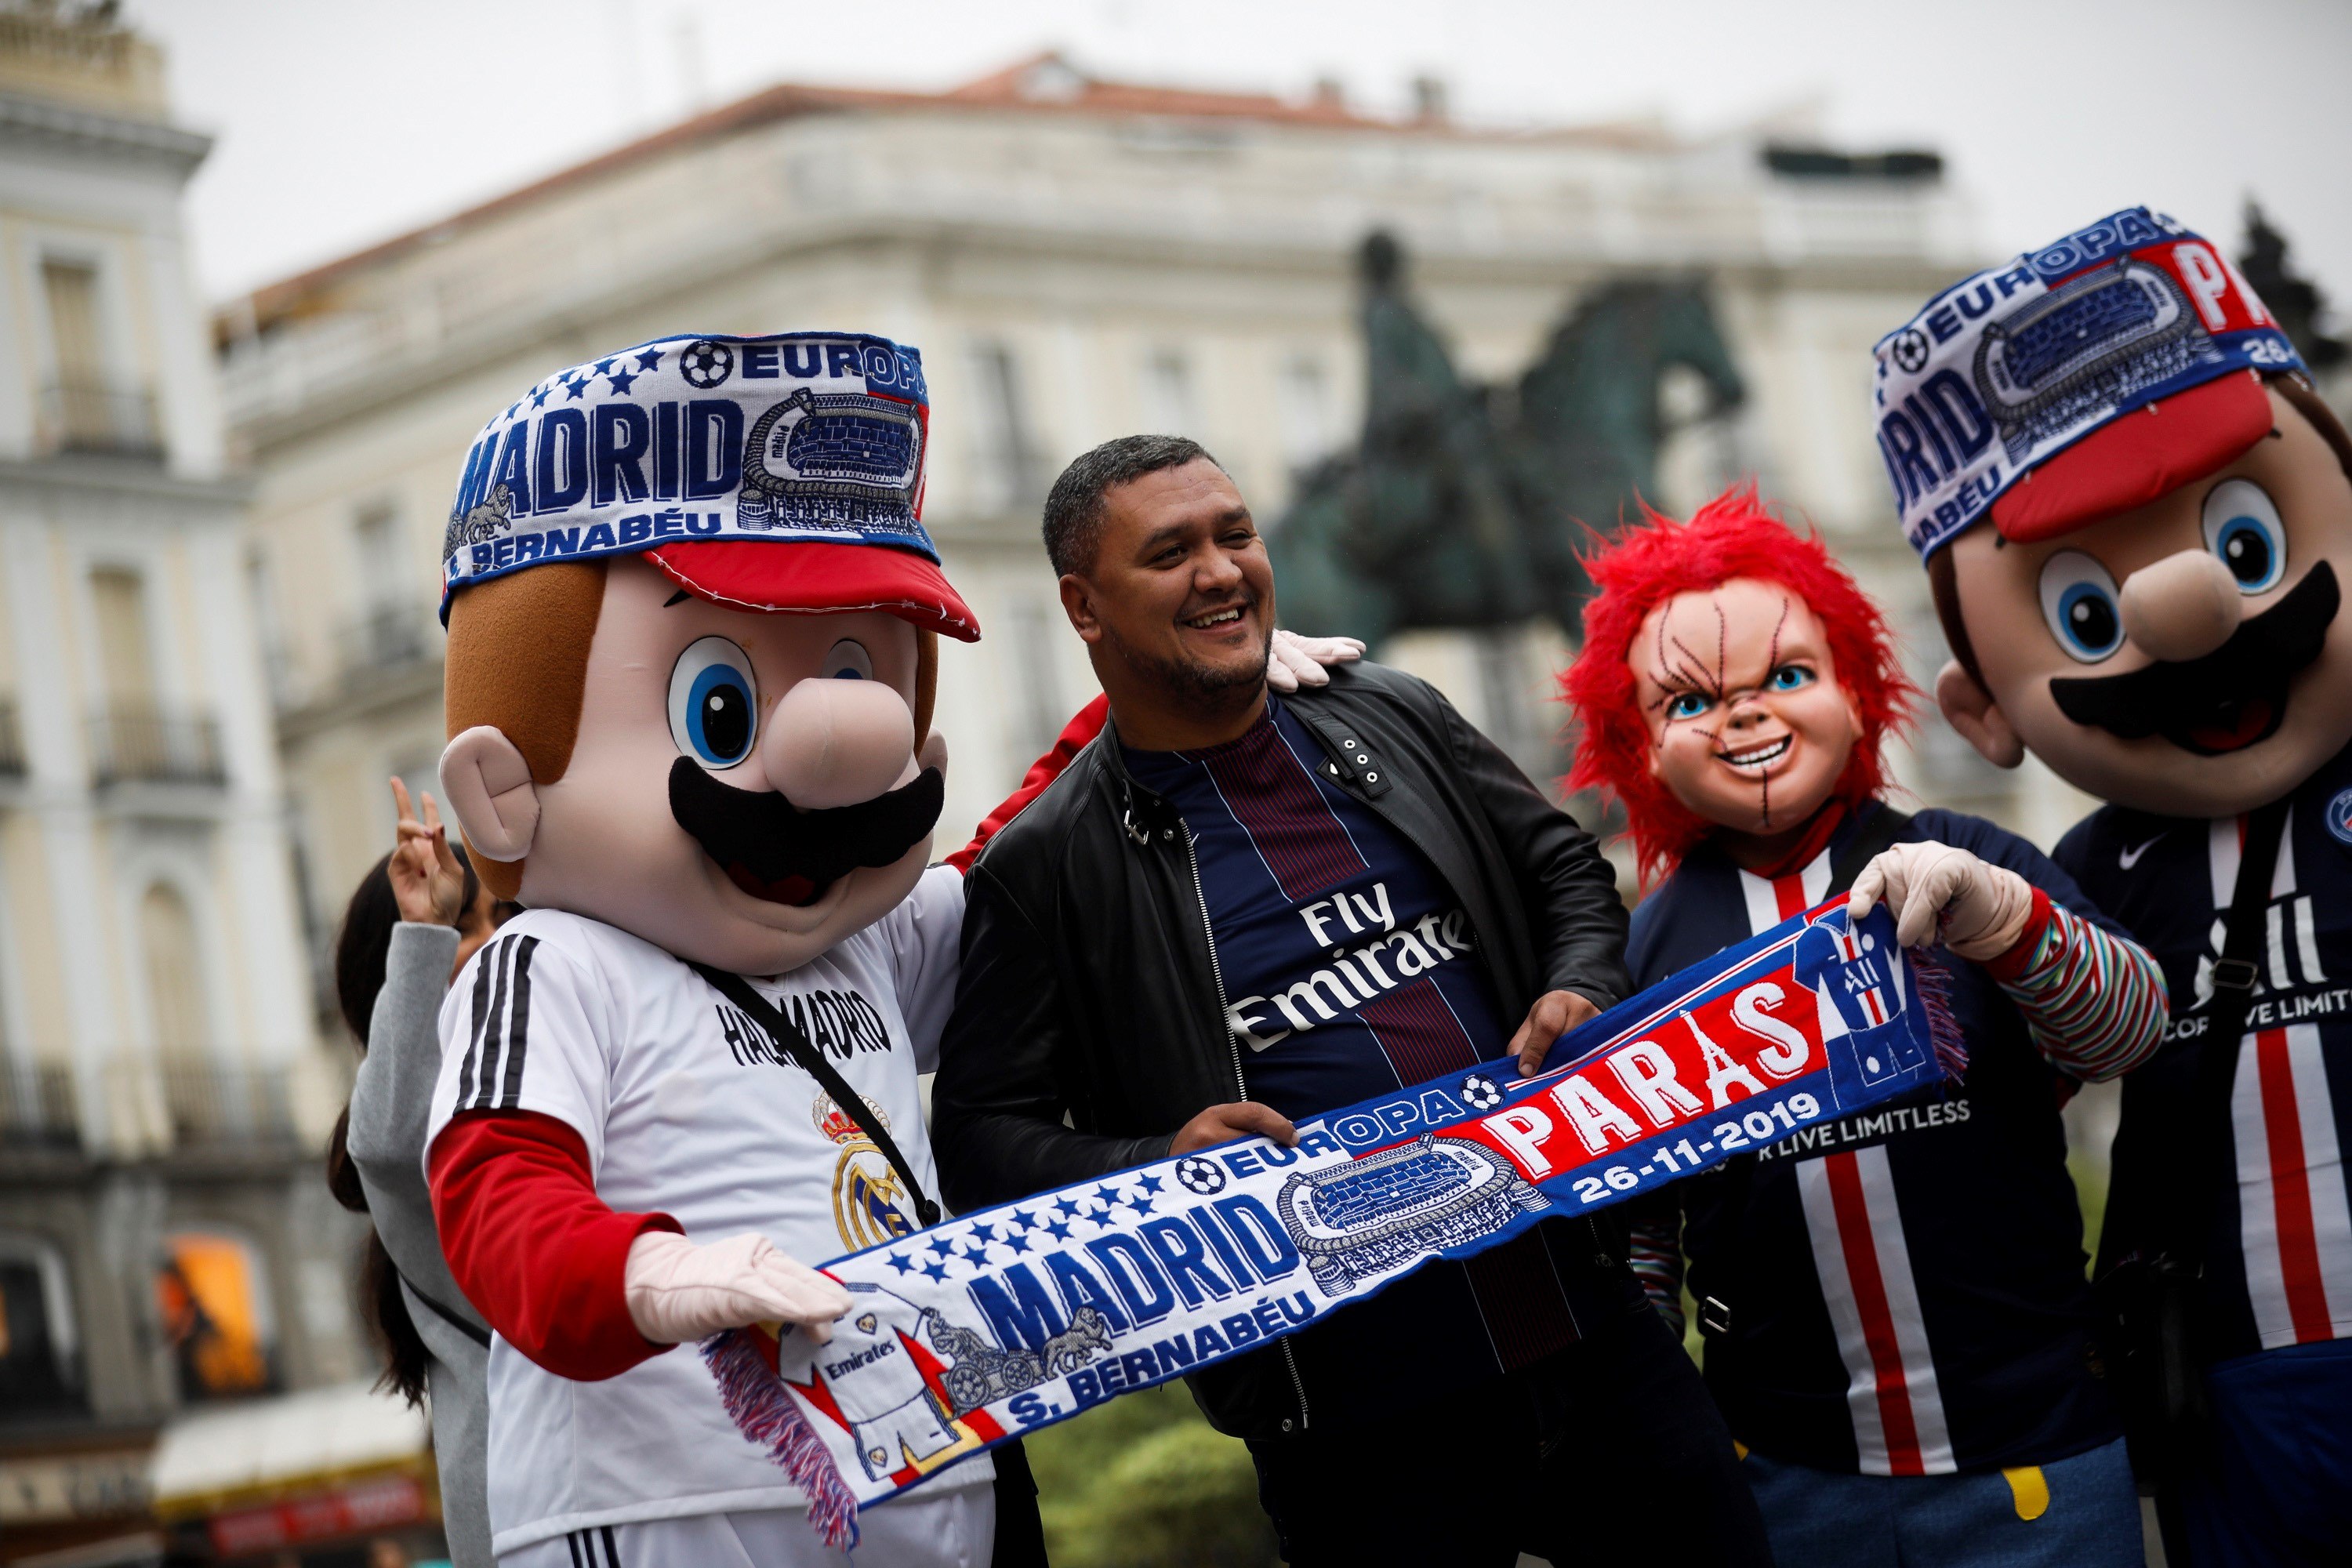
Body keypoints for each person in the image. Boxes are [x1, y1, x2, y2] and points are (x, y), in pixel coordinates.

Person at [931, 434, 1771, 1566]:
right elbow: (982, 1135)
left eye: (1236, 535)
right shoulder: (1046, 865)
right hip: (1351, 1424)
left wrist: (1581, 986)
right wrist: (1161, 1157)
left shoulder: (1393, 712)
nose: (1223, 571)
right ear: (1084, 606)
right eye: (1171, 552)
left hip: (1588, 1323)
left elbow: (1565, 870)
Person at [1561, 490, 2168, 1566]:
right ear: (1639, 747)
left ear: (1856, 691)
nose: (1745, 717)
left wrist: (2003, 916)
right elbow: (1643, 1230)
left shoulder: (1962, 844)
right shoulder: (1643, 945)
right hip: (1790, 1485)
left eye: (1786, 677)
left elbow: (2125, 1032)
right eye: (1690, 701)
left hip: (2037, 1458)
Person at [1872, 206, 2352, 1566]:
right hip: (2229, 1382)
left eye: (2247, 542)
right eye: (2087, 614)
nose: (2192, 613)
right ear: (1979, 710)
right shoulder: (2079, 881)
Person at [328, 779, 508, 1567]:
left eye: (493, 916)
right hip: (534, 1506)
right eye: (454, 923)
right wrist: (424, 936)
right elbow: (396, 1141)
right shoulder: (416, 1139)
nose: (486, 939)